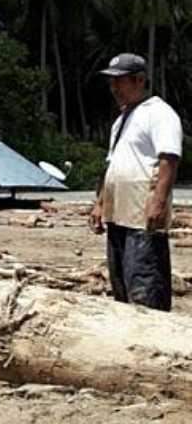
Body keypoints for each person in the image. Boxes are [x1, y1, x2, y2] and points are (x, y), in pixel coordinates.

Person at [89, 53, 183, 312]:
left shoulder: (159, 113)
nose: (114, 88)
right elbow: (113, 165)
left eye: (119, 81)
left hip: (142, 214)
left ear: (139, 80)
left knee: (145, 283)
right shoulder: (121, 121)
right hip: (118, 214)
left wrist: (158, 201)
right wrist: (100, 203)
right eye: (112, 82)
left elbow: (169, 159)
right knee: (121, 284)